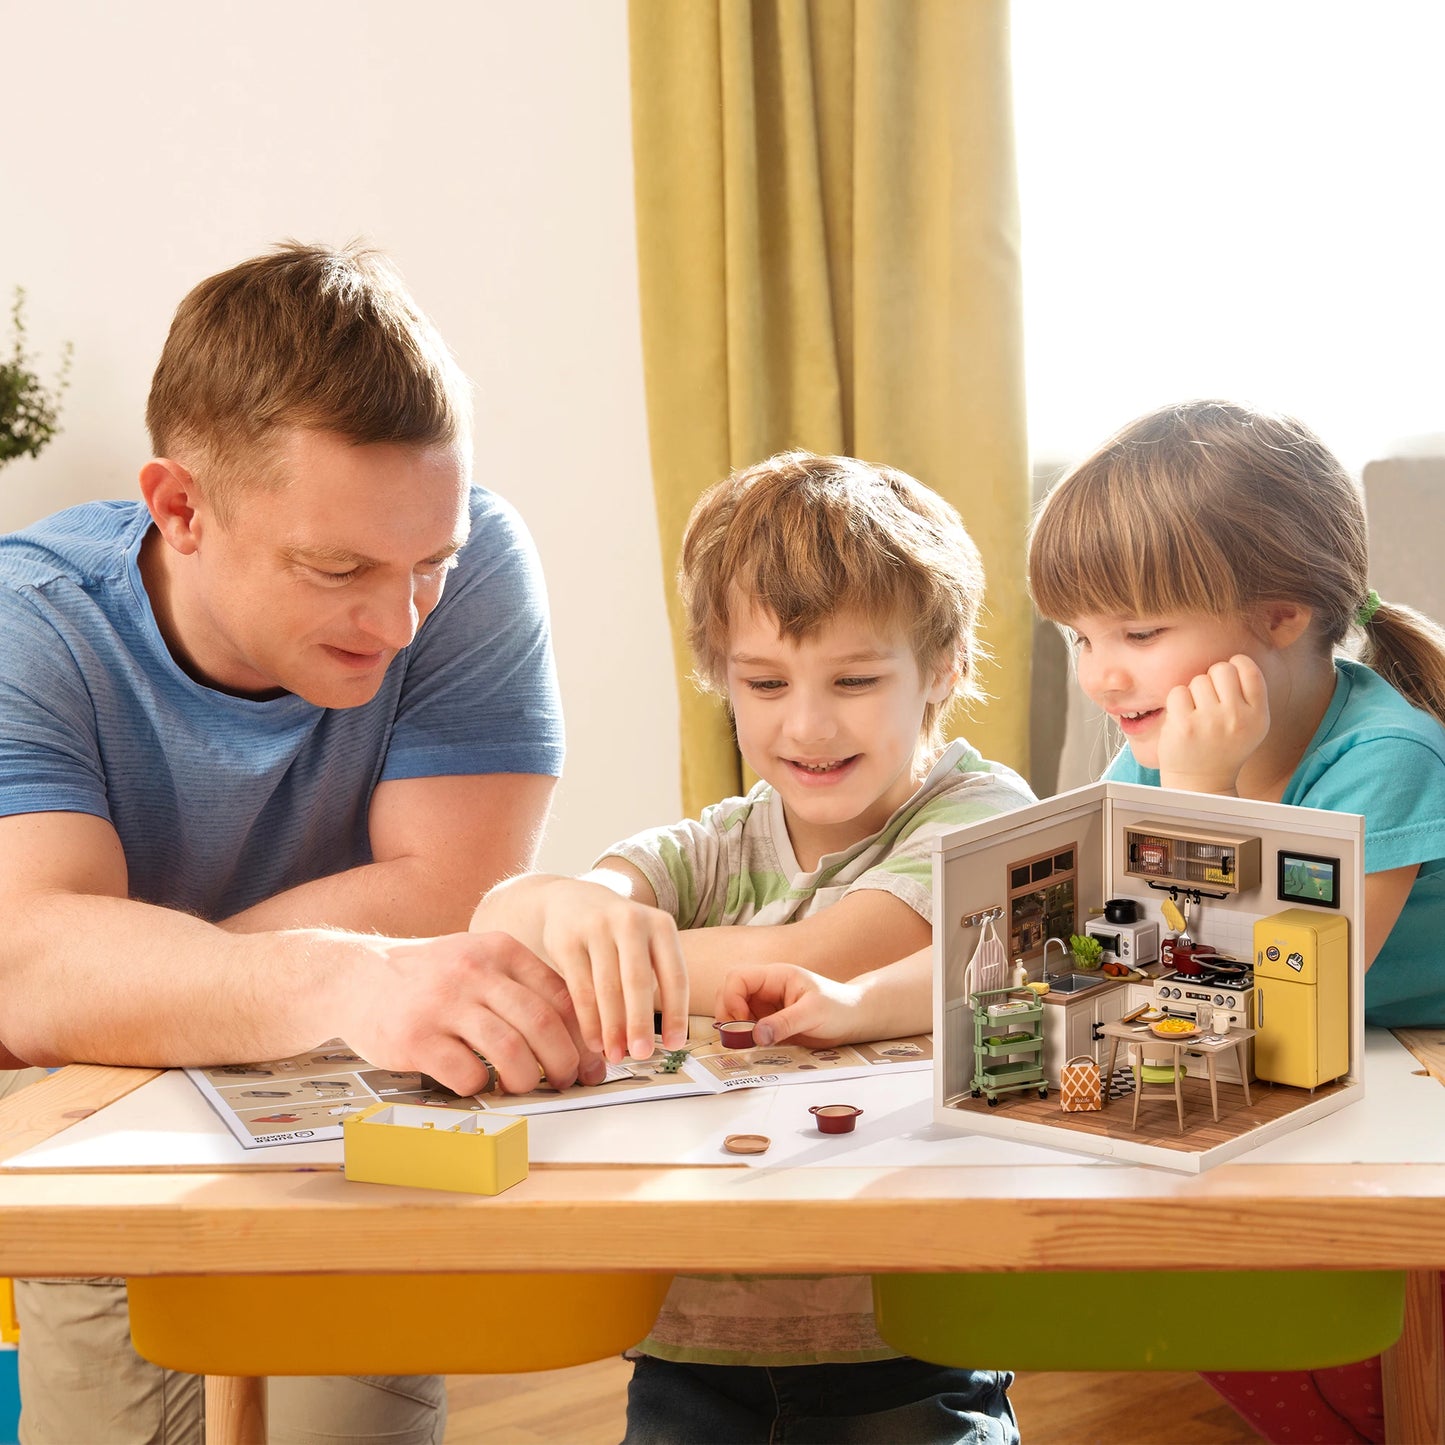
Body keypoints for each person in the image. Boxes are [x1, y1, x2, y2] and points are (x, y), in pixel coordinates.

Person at [0, 241, 616, 1445]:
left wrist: (143, 976)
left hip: (363, 1119)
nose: (395, 621)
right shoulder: (33, 626)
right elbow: (32, 968)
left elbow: (451, 890)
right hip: (106, 1125)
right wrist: (344, 974)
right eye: (335, 568)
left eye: (422, 568)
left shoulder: (476, 560)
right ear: (179, 506)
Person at [474, 450, 1033, 1444]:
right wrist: (567, 911)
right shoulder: (721, 839)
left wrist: (611, 957)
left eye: (853, 678)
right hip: (694, 1346)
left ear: (942, 667)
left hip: (902, 1346)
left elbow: (838, 954)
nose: (806, 723)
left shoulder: (981, 817)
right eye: (763, 681)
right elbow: (514, 915)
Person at [1027, 398, 1445, 1445]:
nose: (1098, 674)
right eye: (1080, 635)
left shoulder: (1383, 759)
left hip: (1396, 1070)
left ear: (1277, 616)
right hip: (1328, 1074)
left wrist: (1199, 794)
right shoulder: (1158, 742)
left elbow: (1273, 1007)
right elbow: (1110, 939)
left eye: (1137, 631)